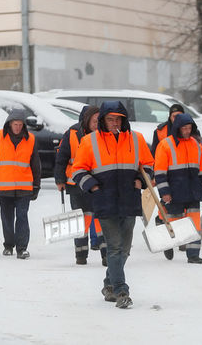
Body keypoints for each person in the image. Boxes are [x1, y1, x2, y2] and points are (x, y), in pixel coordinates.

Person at [72, 100, 154, 309]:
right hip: (105, 201)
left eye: (118, 119)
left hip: (129, 199)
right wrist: (93, 187)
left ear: (123, 119)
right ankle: (121, 290)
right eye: (110, 119)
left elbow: (149, 165)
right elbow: (78, 170)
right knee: (115, 247)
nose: (114, 123)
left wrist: (141, 181)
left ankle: (108, 284)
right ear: (102, 120)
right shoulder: (90, 141)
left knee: (125, 249)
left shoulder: (136, 139)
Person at [0, 109, 41, 259]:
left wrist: (36, 185)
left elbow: (36, 165)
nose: (17, 127)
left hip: (24, 187)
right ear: (9, 124)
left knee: (22, 217)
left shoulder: (31, 140)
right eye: (15, 124)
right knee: (7, 218)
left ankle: (22, 248)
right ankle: (8, 245)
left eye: (20, 125)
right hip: (4, 187)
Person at [54, 105, 107, 266]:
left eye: (99, 121)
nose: (97, 124)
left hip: (99, 184)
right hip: (76, 184)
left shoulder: (104, 135)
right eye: (94, 121)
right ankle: (81, 255)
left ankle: (106, 255)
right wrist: (59, 180)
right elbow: (61, 158)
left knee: (101, 219)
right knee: (80, 220)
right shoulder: (71, 134)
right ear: (86, 120)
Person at [154, 113, 202, 263]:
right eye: (184, 128)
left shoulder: (195, 145)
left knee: (194, 224)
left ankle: (193, 255)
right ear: (177, 128)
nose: (187, 131)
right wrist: (165, 192)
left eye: (189, 128)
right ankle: (168, 241)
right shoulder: (165, 145)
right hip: (174, 191)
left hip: (193, 190)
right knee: (174, 221)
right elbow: (160, 172)